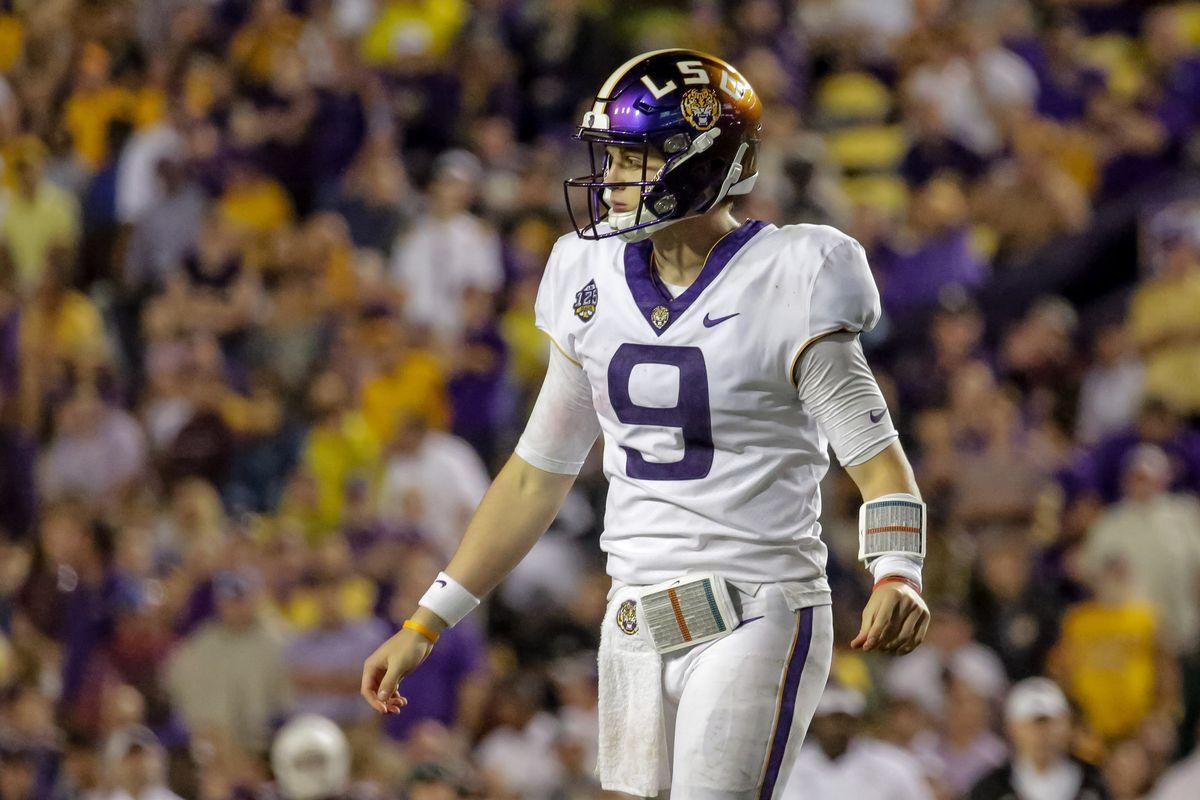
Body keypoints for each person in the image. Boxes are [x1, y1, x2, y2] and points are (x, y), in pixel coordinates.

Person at [361, 49, 931, 800]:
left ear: (705, 159)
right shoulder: (585, 273)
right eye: (613, 157)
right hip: (634, 612)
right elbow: (536, 474)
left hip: (757, 602)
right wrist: (427, 620)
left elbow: (877, 459)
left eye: (637, 156)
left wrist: (898, 569)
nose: (613, 177)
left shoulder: (792, 276)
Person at [969, 677, 1111, 800]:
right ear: (1012, 729)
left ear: (1068, 726)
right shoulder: (990, 789)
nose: (1042, 734)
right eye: (1032, 725)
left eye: (1051, 724)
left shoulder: (1094, 782)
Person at [785, 685, 934, 799]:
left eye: (845, 720)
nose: (837, 728)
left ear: (857, 723)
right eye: (831, 719)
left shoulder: (894, 766)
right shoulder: (788, 767)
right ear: (816, 722)